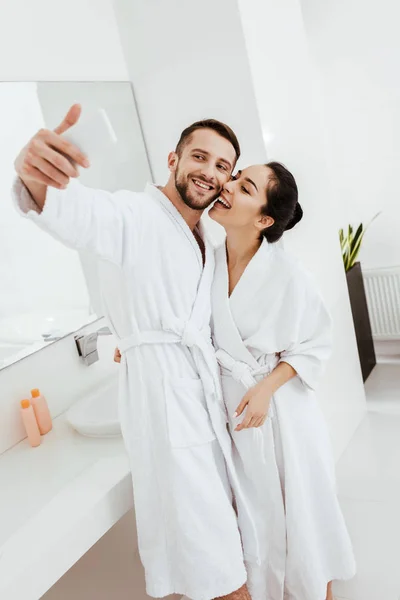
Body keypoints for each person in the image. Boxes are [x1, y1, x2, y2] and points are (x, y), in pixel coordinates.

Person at [12, 104, 253, 600]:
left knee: (206, 547)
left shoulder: (208, 234)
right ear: (174, 158)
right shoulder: (133, 215)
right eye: (200, 157)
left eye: (222, 166)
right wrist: (36, 176)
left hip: (202, 400)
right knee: (215, 562)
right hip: (165, 406)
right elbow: (78, 214)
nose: (209, 172)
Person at [208, 163, 356, 600]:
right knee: (258, 513)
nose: (227, 185)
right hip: (234, 409)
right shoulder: (208, 261)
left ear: (264, 220)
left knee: (303, 511)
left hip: (281, 411)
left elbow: (314, 343)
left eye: (244, 185)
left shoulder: (287, 273)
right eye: (234, 177)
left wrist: (266, 389)